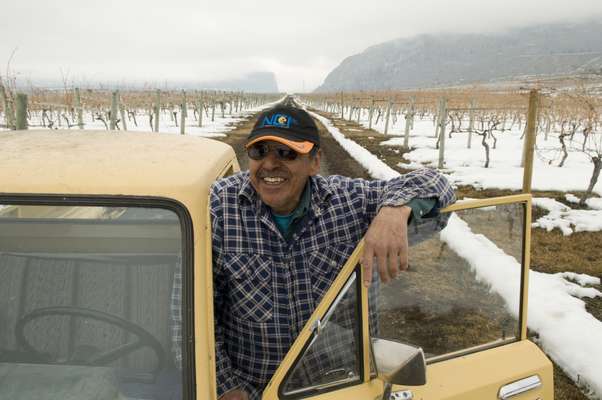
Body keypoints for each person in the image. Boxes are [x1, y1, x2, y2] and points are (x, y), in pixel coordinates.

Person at [210, 103, 455, 400]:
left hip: (340, 384)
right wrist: (226, 387)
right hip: (256, 390)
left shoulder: (348, 202)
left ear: (315, 162)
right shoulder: (220, 207)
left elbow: (438, 184)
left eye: (287, 153)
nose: (270, 164)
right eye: (260, 152)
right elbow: (193, 307)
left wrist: (395, 210)